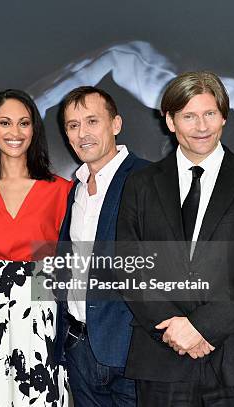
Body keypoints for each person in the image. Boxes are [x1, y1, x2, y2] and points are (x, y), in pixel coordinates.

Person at [116, 71, 234, 406]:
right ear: (170, 121)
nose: (202, 126)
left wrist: (201, 327)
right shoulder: (141, 185)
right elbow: (128, 266)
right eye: (189, 116)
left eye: (209, 114)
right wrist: (175, 330)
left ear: (223, 116)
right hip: (162, 358)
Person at [0, 89, 70, 407]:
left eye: (24, 123)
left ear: (34, 130)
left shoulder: (61, 190)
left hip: (42, 311)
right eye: (5, 122)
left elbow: (68, 268)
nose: (15, 132)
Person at [53, 86, 149, 406]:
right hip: (80, 351)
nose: (83, 133)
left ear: (116, 124)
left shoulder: (149, 180)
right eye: (73, 125)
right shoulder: (76, 189)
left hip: (132, 357)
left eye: (92, 121)